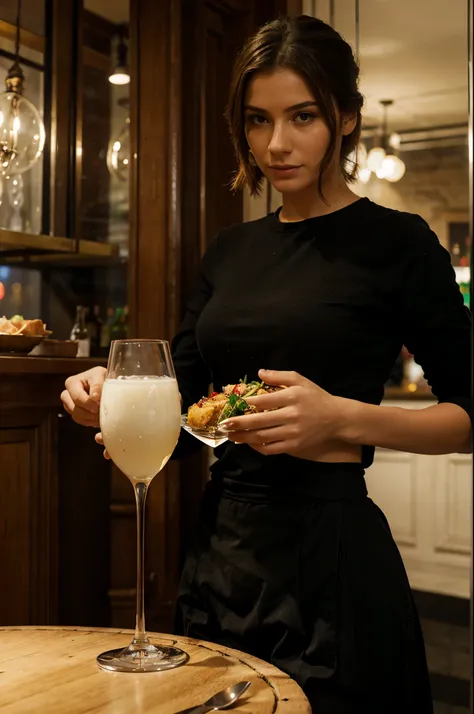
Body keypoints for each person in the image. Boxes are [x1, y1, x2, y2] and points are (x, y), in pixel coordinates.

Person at [61, 15, 472, 714]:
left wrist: (342, 420)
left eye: (302, 116)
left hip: (333, 557)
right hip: (222, 549)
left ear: (345, 118)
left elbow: (467, 416)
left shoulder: (397, 243)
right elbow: (181, 389)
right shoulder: (230, 252)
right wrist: (109, 389)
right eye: (258, 120)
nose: (276, 144)